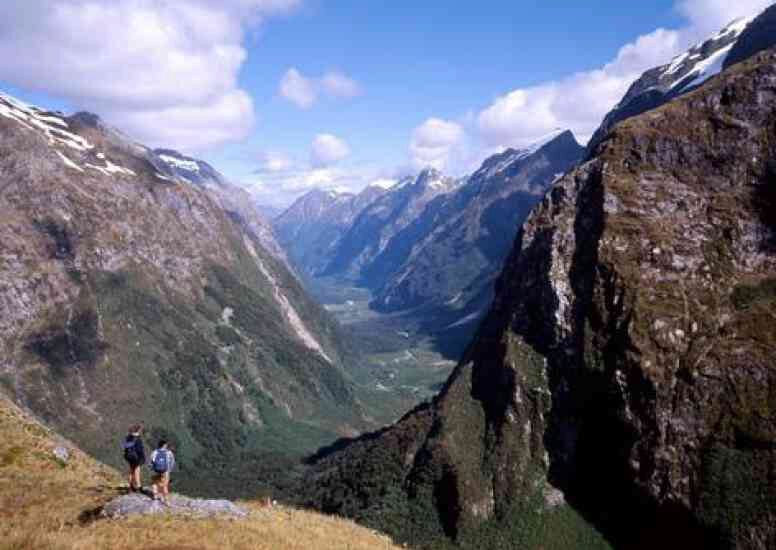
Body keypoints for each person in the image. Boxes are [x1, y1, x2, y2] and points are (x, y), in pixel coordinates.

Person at [150, 439, 175, 505]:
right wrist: (169, 470)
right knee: (165, 485)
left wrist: (153, 469)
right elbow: (172, 462)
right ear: (164, 445)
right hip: (165, 471)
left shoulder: (154, 452)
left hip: (156, 470)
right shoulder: (169, 452)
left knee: (154, 482)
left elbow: (151, 462)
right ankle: (166, 501)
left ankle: (155, 496)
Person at [121, 424, 145, 493]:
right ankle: (139, 487)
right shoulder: (138, 439)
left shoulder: (128, 437)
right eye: (140, 430)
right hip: (136, 457)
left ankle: (130, 486)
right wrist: (142, 458)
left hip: (129, 457)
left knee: (131, 471)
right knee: (137, 471)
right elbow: (139, 450)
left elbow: (125, 447)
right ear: (138, 430)